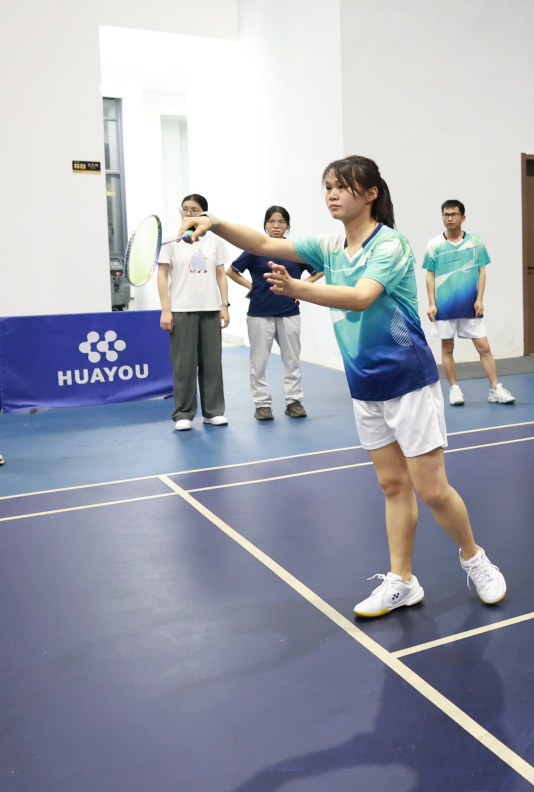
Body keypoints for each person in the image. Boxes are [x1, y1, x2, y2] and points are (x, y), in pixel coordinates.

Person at [180, 157, 507, 616]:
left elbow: (360, 297)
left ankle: (474, 558)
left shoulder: (391, 245)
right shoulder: (331, 245)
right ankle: (402, 581)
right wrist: (213, 221)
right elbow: (262, 242)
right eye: (328, 187)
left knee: (432, 490)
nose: (331, 194)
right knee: (392, 485)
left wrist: (297, 290)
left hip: (408, 380)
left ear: (370, 194)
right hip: (364, 383)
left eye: (342, 186)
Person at [227, 206, 323, 421]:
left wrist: (300, 288)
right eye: (272, 221)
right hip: (259, 313)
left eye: (281, 222)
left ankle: (294, 402)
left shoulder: (295, 250)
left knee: (292, 360)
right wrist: (252, 286)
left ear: (287, 226)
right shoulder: (255, 248)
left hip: (289, 312)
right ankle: (262, 404)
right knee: (259, 361)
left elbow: (319, 269)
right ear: (265, 225)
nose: (276, 226)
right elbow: (231, 271)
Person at [422, 200, 515, 406]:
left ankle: (495, 389)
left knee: (484, 347)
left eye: (454, 214)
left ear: (463, 217)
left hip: (470, 305)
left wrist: (480, 299)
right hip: (444, 305)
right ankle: (454, 389)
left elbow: (482, 271)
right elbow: (430, 274)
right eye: (446, 215)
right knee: (447, 348)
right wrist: (431, 303)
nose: (449, 218)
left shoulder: (476, 242)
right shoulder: (434, 245)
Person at [158, 193, 230, 431]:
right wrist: (166, 310)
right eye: (185, 209)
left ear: (204, 214)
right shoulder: (170, 239)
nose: (188, 213)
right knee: (184, 365)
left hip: (210, 308)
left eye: (194, 210)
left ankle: (213, 412)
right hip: (181, 309)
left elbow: (221, 274)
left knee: (212, 364)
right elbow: (162, 275)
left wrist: (224, 305)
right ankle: (183, 414)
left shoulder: (215, 241)